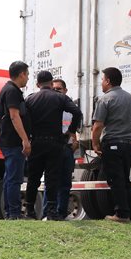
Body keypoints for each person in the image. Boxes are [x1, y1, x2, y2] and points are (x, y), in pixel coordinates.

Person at [24, 71, 82, 220]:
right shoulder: (60, 97)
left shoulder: (30, 99)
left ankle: (29, 210)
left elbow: (23, 118)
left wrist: (28, 134)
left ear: (37, 84)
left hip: (36, 141)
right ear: (51, 83)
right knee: (52, 178)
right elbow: (77, 112)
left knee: (33, 178)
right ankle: (51, 211)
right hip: (55, 142)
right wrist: (70, 131)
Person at [90, 66, 131, 223]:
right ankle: (128, 212)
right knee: (125, 179)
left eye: (102, 79)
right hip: (129, 144)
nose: (102, 83)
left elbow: (98, 126)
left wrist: (95, 144)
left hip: (113, 143)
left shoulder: (105, 99)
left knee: (115, 179)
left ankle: (121, 214)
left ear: (108, 81)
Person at [0, 61, 32, 219]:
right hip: (13, 141)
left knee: (9, 177)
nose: (28, 78)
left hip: (8, 140)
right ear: (22, 74)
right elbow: (14, 115)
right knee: (14, 179)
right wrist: (25, 139)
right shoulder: (12, 91)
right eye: (27, 75)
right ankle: (14, 213)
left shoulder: (7, 89)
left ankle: (10, 212)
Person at [51, 78, 80, 219]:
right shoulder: (49, 106)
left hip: (67, 148)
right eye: (54, 89)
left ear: (65, 91)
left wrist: (75, 139)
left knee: (65, 183)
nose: (56, 91)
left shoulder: (70, 107)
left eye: (59, 89)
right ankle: (49, 213)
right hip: (53, 147)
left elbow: (76, 124)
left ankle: (61, 213)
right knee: (51, 182)